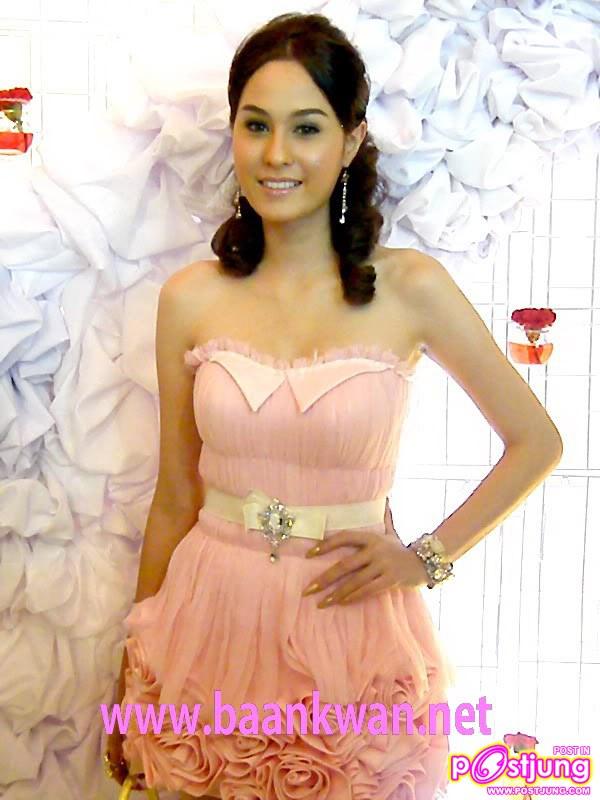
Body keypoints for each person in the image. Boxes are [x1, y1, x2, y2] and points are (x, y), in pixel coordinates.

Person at [104, 12, 563, 799]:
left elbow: (536, 442)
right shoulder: (189, 298)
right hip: (208, 618)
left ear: (350, 142)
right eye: (256, 125)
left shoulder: (410, 287)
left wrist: (424, 557)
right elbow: (176, 493)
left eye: (307, 128)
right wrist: (132, 667)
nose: (276, 154)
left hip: (349, 618)